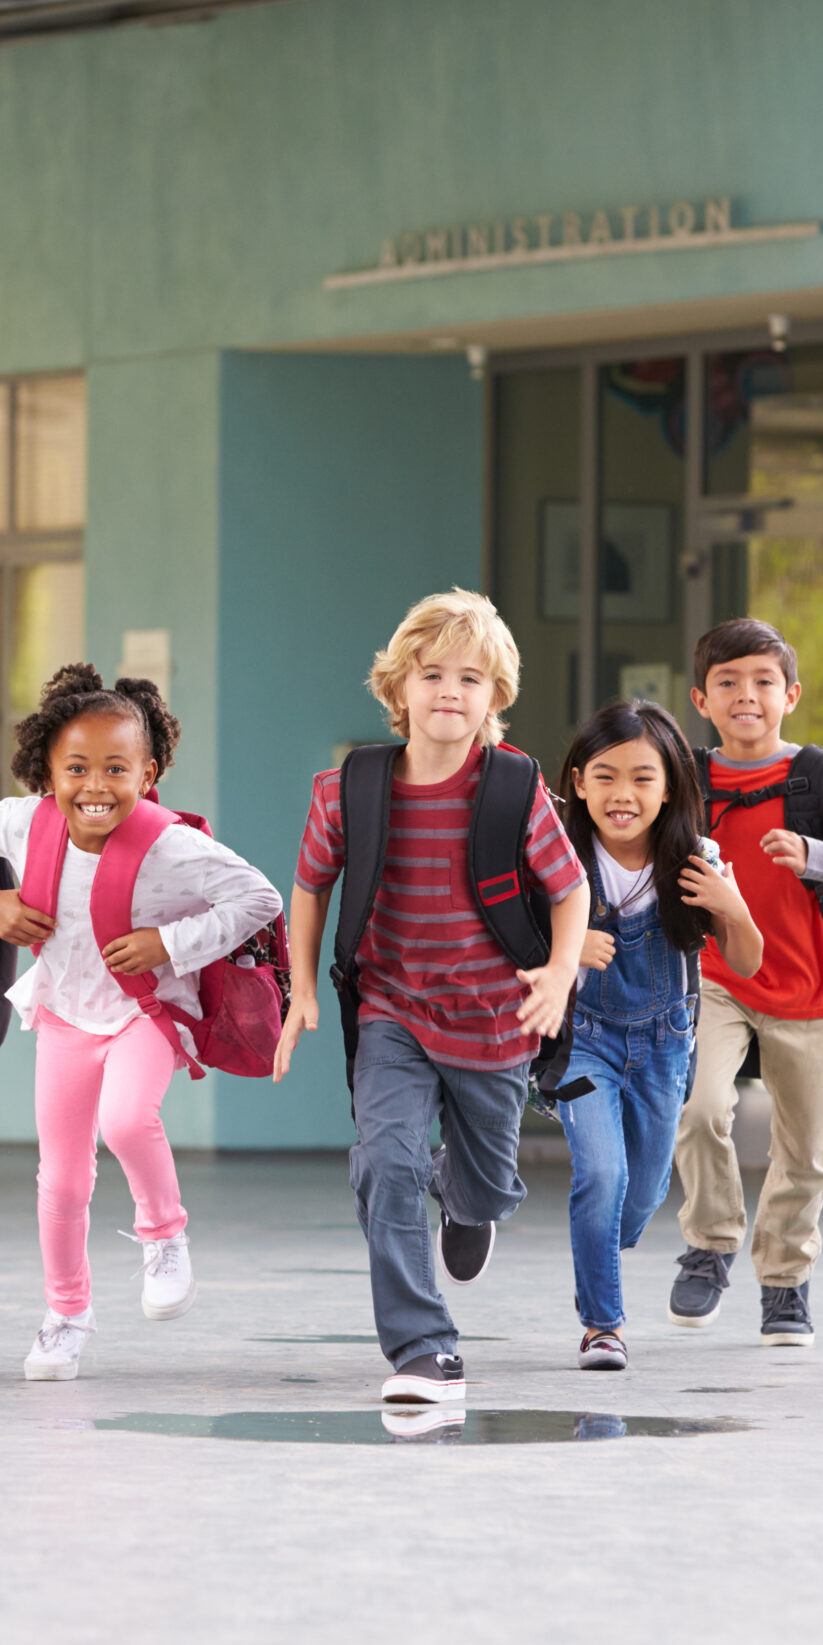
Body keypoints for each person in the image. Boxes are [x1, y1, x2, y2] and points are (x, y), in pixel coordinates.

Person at [0, 665, 281, 1381]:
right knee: (59, 1180)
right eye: (76, 767)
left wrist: (167, 944)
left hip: (144, 1010)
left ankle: (164, 1235)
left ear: (149, 774)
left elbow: (258, 897)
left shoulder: (171, 844)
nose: (95, 785)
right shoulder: (25, 823)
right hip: (64, 1014)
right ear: (46, 770)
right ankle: (65, 1314)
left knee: (125, 1120)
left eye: (117, 768)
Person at [274, 589, 591, 1407]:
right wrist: (303, 985)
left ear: (495, 699)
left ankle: (469, 1198)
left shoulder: (513, 789)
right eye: (433, 673)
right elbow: (311, 884)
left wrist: (557, 975)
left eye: (471, 678)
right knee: (385, 1160)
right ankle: (423, 1347)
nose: (451, 690)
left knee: (488, 1182)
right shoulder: (351, 787)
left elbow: (570, 888)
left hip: (494, 1019)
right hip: (393, 1011)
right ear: (398, 689)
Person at [672, 618, 823, 1347]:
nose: (747, 695)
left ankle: (785, 1280)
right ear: (701, 699)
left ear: (790, 694)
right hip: (715, 976)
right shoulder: (690, 777)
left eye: (764, 681)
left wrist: (811, 852)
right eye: (728, 683)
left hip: (807, 986)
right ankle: (710, 1242)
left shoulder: (816, 776)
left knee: (809, 1149)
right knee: (701, 1107)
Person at [554, 701, 762, 1373]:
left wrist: (731, 907)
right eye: (606, 776)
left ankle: (598, 1245)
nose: (623, 794)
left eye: (643, 777)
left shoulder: (696, 859)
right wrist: (565, 945)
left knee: (638, 1197)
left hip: (665, 1048)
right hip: (584, 1041)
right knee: (602, 1173)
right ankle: (602, 1326)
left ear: (669, 785)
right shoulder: (556, 855)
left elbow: (750, 957)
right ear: (579, 781)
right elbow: (514, 943)